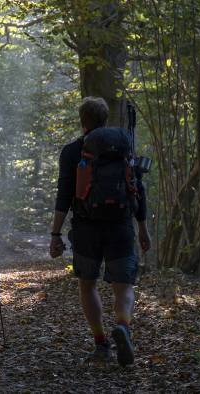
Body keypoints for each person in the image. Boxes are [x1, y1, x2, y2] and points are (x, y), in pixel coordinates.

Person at [49, 96, 151, 366]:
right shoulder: (124, 146)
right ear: (105, 119)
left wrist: (55, 234)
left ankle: (101, 344)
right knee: (124, 286)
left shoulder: (73, 151)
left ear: (83, 121)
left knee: (88, 284)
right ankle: (123, 326)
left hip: (86, 227)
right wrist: (143, 227)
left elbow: (64, 195)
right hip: (121, 224)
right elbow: (137, 188)